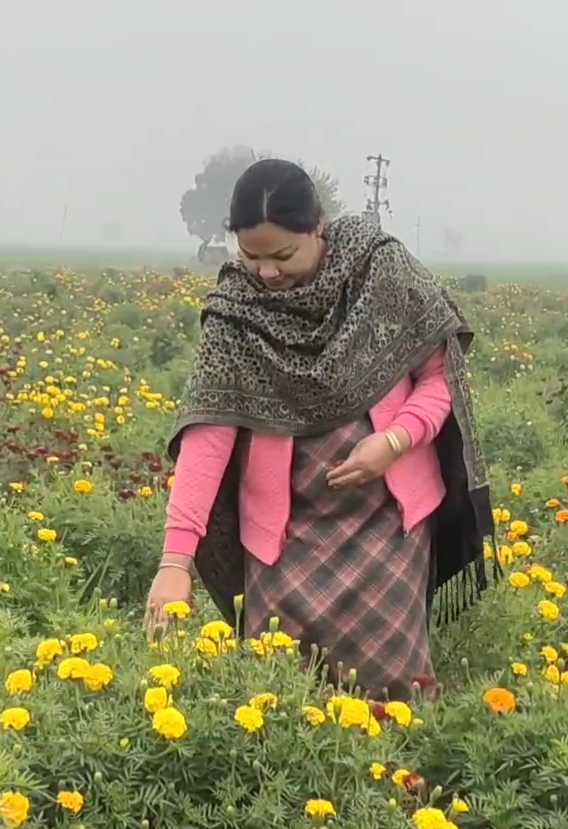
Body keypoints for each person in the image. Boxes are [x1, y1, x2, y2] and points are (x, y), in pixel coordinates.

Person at [148, 159, 493, 701]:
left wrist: (397, 440)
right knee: (281, 702)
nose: (266, 273)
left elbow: (440, 378)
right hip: (282, 546)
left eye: (282, 255)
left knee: (393, 703)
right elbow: (207, 437)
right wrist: (175, 562)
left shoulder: (380, 272)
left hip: (388, 534)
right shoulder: (236, 310)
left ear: (318, 228)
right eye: (251, 256)